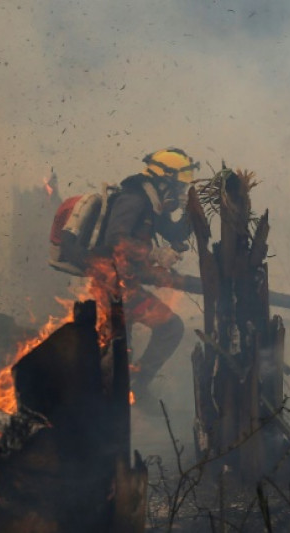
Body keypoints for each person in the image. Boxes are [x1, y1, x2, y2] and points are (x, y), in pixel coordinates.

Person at [88, 148, 198, 409]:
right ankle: (119, 399)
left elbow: (175, 232)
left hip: (126, 285)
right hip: (111, 287)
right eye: (178, 187)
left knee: (160, 331)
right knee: (121, 347)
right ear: (163, 181)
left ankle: (132, 387)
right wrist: (156, 253)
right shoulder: (134, 200)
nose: (180, 194)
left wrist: (192, 212)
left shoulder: (152, 205)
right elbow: (116, 239)